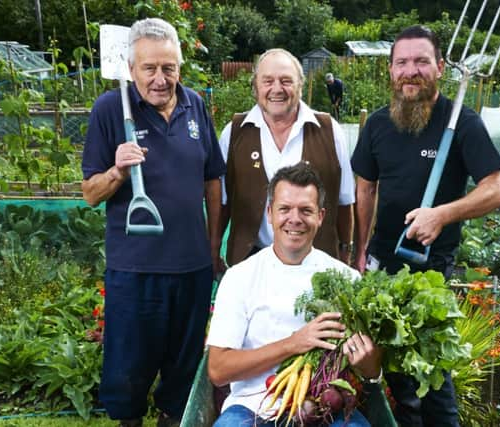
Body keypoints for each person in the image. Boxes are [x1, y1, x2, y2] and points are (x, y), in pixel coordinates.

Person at [351, 25, 500, 427]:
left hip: (431, 270)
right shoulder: (377, 125)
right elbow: (365, 189)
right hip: (385, 265)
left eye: (421, 61)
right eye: (401, 62)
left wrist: (441, 214)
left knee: (434, 377)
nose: (410, 71)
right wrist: (359, 251)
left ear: (440, 67)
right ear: (390, 70)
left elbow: (496, 190)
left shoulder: (462, 123)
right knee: (400, 381)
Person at [81, 18, 225, 427]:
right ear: (131, 68)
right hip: (135, 269)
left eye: (169, 68)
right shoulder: (110, 110)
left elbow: (213, 179)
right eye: (150, 68)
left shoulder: (195, 105)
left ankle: (170, 419)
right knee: (129, 365)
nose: (161, 79)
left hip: (192, 267)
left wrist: (212, 249)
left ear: (180, 67)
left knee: (183, 365)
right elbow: (90, 193)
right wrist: (117, 172)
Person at [207, 162, 381, 426]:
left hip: (324, 405)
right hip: (253, 406)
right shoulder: (240, 277)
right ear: (269, 213)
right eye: (284, 209)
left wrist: (370, 364)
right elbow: (218, 370)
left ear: (321, 216)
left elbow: (371, 371)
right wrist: (294, 343)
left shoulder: (347, 280)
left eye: (306, 210)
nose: (295, 219)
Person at [218, 48, 355, 267]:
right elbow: (223, 203)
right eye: (268, 81)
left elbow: (344, 201)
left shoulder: (329, 130)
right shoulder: (233, 132)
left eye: (286, 81)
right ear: (255, 87)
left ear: (300, 85)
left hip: (317, 265)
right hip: (252, 262)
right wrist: (215, 250)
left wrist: (347, 250)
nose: (276, 89)